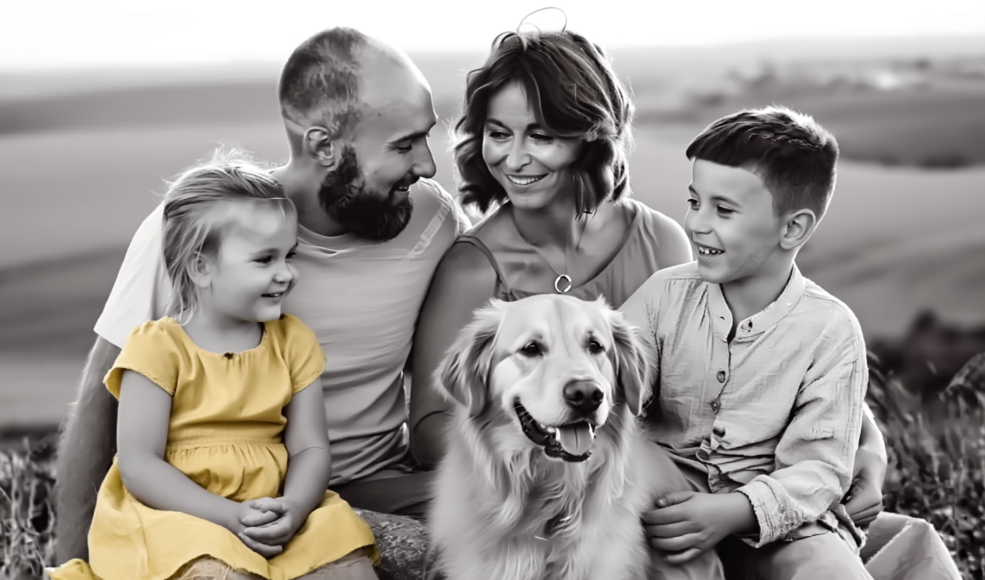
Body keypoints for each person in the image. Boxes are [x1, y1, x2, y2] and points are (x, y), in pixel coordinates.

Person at [405, 28, 888, 543]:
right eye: (498, 133)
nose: (515, 158)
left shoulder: (660, 241)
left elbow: (755, 354)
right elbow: (432, 429)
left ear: (591, 136)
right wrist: (552, 449)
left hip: (690, 491)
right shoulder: (472, 268)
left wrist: (870, 443)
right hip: (564, 497)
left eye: (541, 136)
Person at [52, 27, 470, 564]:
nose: (428, 166)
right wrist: (68, 564)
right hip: (213, 499)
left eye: (426, 136)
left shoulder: (431, 221)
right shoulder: (199, 232)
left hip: (374, 484)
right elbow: (99, 404)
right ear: (323, 145)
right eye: (403, 145)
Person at [47, 152, 379, 580]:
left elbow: (310, 446)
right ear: (201, 267)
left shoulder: (292, 341)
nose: (286, 275)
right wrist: (226, 515)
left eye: (288, 256)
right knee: (214, 572)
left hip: (271, 504)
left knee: (347, 564)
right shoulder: (158, 347)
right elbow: (140, 463)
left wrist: (294, 508)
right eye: (265, 260)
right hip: (179, 514)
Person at [626, 106, 874, 579]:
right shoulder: (664, 294)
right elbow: (617, 386)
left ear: (793, 228)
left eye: (723, 209)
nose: (697, 224)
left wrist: (734, 511)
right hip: (665, 499)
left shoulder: (831, 330)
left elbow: (819, 469)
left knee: (831, 572)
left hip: (786, 521)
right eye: (694, 201)